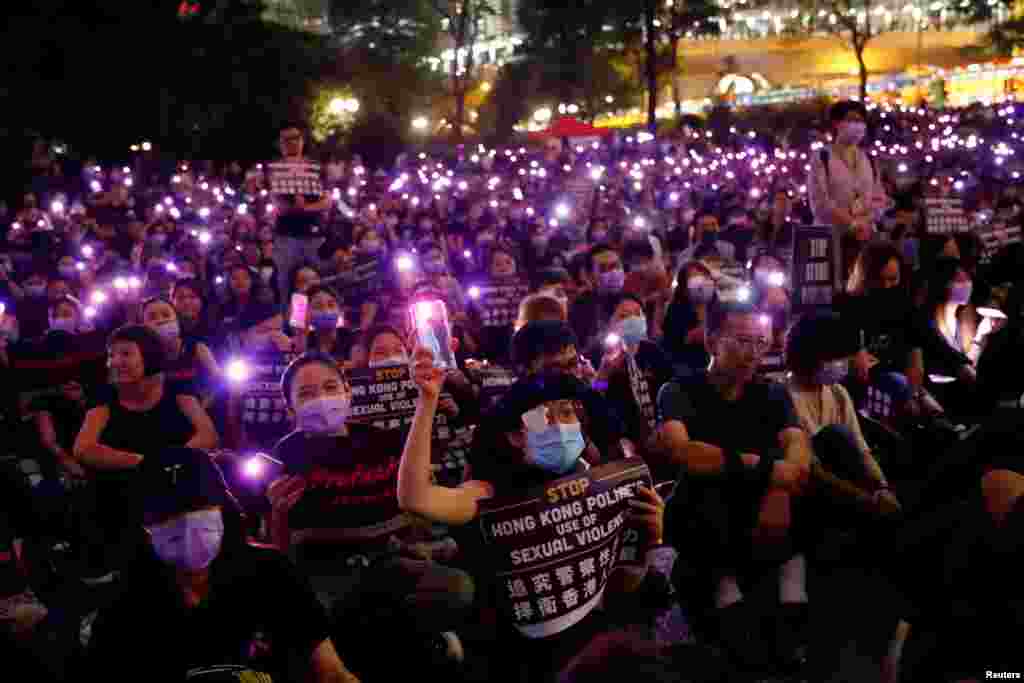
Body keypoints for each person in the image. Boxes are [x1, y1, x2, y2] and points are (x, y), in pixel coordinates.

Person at [397, 352, 664, 677]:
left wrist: (648, 544)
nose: (559, 424)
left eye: (567, 413)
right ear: (514, 436)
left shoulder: (606, 484)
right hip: (516, 654)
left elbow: (617, 592)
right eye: (542, 417)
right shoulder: (491, 491)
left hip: (591, 646)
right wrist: (427, 401)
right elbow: (416, 498)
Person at [267, 354, 473, 679]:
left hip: (386, 562)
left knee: (458, 588)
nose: (322, 398)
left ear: (348, 392)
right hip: (323, 577)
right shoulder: (283, 455)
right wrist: (278, 512)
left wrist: (418, 547)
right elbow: (280, 551)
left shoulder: (383, 441)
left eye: (331, 387)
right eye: (306, 394)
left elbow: (410, 508)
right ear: (290, 408)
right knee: (316, 623)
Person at [86, 447, 358, 683]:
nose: (189, 526)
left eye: (200, 509)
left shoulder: (272, 573)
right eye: (168, 517)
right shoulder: (125, 603)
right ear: (145, 528)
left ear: (224, 511)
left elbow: (331, 672)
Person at [658, 299, 813, 668]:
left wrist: (779, 490)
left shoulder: (773, 393)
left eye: (761, 343)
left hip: (760, 504)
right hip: (704, 510)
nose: (753, 353)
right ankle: (729, 599)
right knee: (707, 488)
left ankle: (793, 603)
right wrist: (761, 469)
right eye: (742, 341)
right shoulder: (679, 390)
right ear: (712, 343)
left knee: (812, 490)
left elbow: (798, 449)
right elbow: (683, 451)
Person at [72, 325, 219, 579]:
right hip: (124, 486)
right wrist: (143, 462)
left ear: (148, 356)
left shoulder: (179, 392)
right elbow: (84, 449)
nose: (115, 362)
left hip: (176, 483)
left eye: (125, 354)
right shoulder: (105, 398)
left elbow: (208, 435)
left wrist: (172, 462)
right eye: (111, 355)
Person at [784, 312, 900, 519]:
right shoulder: (783, 397)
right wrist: (864, 499)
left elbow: (861, 449)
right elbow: (811, 470)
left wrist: (882, 487)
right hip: (814, 493)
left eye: (842, 357)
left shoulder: (838, 393)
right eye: (833, 357)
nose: (840, 364)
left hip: (854, 487)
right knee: (834, 435)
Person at [841, 242, 925, 422]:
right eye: (879, 280)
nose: (886, 286)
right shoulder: (847, 304)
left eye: (893, 279)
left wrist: (914, 394)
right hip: (861, 388)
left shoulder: (905, 304)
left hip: (900, 382)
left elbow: (915, 358)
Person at [592, 294, 674, 480]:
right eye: (623, 316)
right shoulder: (597, 353)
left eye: (638, 314)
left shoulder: (652, 351)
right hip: (623, 439)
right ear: (609, 323)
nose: (632, 320)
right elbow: (595, 397)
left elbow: (671, 388)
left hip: (659, 431)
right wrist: (604, 372)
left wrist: (664, 425)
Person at [808, 100, 888, 239]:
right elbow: (820, 204)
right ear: (837, 123)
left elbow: (879, 199)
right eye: (852, 119)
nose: (858, 125)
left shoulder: (869, 159)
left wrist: (867, 220)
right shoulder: (822, 157)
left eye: (861, 121)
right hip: (831, 237)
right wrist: (853, 223)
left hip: (866, 236)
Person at [266, 124, 330, 299]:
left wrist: (305, 207)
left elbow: (327, 200)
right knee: (288, 285)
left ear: (302, 141)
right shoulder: (273, 169)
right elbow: (275, 202)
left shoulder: (315, 167)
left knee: (320, 283)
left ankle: (321, 321)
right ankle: (291, 324)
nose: (292, 142)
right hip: (286, 236)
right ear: (280, 144)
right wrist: (293, 207)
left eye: (296, 138)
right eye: (287, 139)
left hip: (315, 235)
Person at [912, 257, 979, 416]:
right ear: (942, 284)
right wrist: (965, 367)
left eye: (967, 280)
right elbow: (944, 352)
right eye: (958, 281)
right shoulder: (925, 320)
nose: (966, 285)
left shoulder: (965, 317)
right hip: (944, 392)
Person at [141, 297, 220, 399]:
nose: (160, 321)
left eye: (166, 315)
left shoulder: (197, 348)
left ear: (176, 318)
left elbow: (217, 380)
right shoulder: (143, 356)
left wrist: (204, 405)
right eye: (152, 317)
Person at [568, 244, 627, 350]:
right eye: (604, 269)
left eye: (616, 266)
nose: (613, 272)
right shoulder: (580, 307)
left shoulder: (634, 298)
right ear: (590, 276)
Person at [662, 261, 716, 372]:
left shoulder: (718, 307)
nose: (701, 281)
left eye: (704, 276)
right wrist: (691, 336)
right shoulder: (676, 310)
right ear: (683, 287)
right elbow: (671, 344)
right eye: (695, 277)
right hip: (688, 364)